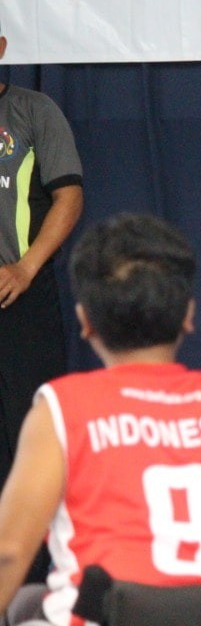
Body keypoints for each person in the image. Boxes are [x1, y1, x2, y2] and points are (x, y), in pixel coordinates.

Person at [0, 212, 201, 625]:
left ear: (85, 322)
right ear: (188, 315)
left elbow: (9, 553)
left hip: (111, 616)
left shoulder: (60, 410)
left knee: (27, 606)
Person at [0, 31, 84, 496]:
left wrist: (25, 269)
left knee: (30, 434)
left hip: (19, 296)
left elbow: (68, 197)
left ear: (1, 47)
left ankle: (32, 540)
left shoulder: (33, 111)